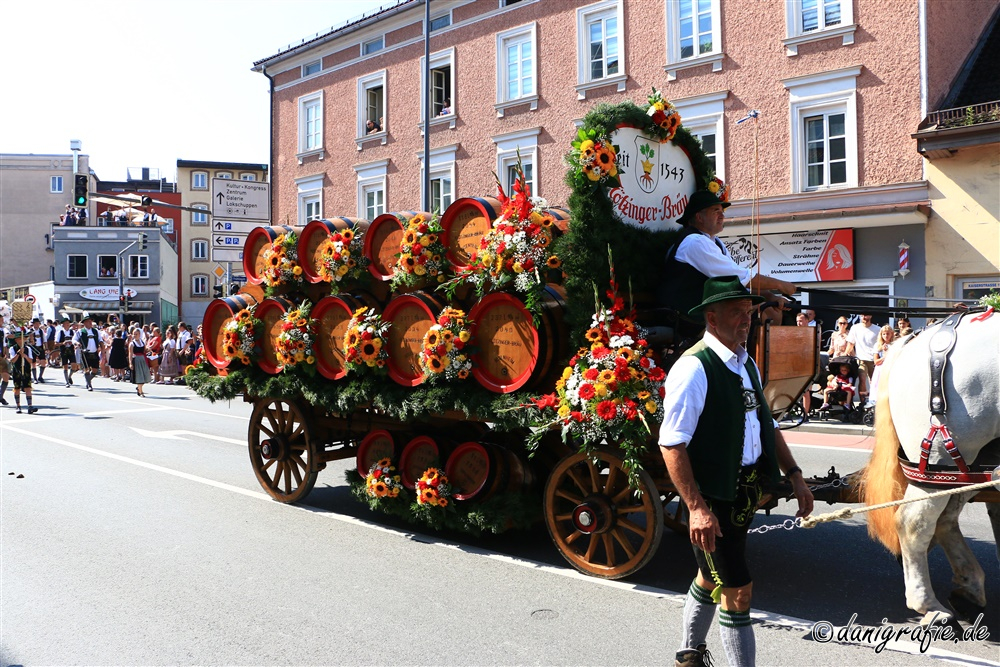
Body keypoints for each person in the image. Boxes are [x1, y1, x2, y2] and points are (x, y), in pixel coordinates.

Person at [658, 276, 813, 667]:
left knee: (709, 577)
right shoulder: (694, 368)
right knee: (738, 590)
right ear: (711, 317)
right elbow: (671, 443)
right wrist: (695, 507)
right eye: (736, 312)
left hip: (741, 494)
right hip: (712, 498)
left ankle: (688, 654)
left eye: (748, 312)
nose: (746, 320)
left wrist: (794, 475)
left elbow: (767, 426)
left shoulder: (747, 366)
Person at [662, 190, 796, 334]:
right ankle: (751, 354)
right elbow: (736, 277)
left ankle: (756, 354)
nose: (722, 215)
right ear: (699, 217)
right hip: (687, 313)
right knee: (766, 310)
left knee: (770, 307)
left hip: (706, 309)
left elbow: (737, 282)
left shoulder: (715, 242)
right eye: (716, 211)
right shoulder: (694, 242)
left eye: (722, 211)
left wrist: (770, 295)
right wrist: (780, 284)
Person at [845, 313, 880, 402]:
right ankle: (863, 402)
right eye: (862, 316)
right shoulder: (855, 328)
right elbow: (850, 343)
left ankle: (874, 401)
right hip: (861, 359)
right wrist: (846, 354)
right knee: (862, 379)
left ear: (871, 316)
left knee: (874, 382)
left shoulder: (877, 329)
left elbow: (881, 344)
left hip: (874, 360)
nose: (864, 317)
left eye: (867, 315)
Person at [7, 328, 38, 413]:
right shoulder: (12, 349)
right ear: (16, 340)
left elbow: (31, 361)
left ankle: (30, 406)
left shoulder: (28, 348)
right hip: (17, 370)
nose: (22, 340)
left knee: (28, 387)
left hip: (26, 369)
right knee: (17, 388)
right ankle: (18, 406)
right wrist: (18, 353)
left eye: (23, 338)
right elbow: (12, 360)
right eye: (20, 339)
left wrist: (25, 355)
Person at [73, 315, 104, 391]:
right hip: (85, 353)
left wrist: (102, 349)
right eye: (88, 321)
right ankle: (89, 385)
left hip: (94, 352)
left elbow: (100, 340)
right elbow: (74, 340)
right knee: (86, 369)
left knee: (95, 370)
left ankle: (88, 380)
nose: (90, 322)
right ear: (85, 323)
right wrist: (77, 343)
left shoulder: (96, 331)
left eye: (91, 321)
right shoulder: (80, 331)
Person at [867, 325, 895, 405]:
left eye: (888, 334)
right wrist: (884, 356)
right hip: (880, 369)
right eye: (884, 334)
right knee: (878, 388)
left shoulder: (894, 344)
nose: (886, 336)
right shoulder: (878, 345)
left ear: (891, 334)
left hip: (890, 368)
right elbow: (876, 361)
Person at [54, 318, 78, 386]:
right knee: (65, 366)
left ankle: (69, 376)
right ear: (63, 324)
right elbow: (56, 343)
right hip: (64, 350)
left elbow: (76, 340)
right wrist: (63, 343)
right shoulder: (60, 332)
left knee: (74, 366)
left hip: (71, 350)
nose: (67, 324)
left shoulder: (72, 332)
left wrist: (74, 344)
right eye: (66, 323)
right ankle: (67, 382)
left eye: (68, 323)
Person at [128, 328, 151, 397]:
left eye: (136, 334)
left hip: (143, 359)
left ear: (139, 334)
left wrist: (148, 349)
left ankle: (139, 388)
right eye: (134, 334)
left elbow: (144, 351)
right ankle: (141, 392)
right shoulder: (132, 344)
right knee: (139, 376)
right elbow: (130, 354)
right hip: (137, 360)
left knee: (145, 376)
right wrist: (130, 363)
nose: (135, 335)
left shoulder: (142, 342)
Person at [28, 318, 48, 383]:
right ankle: (35, 378)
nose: (37, 324)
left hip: (40, 347)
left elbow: (45, 340)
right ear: (33, 324)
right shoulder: (30, 331)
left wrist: (46, 348)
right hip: (33, 348)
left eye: (38, 323)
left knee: (43, 362)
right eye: (35, 323)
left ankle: (40, 376)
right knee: (33, 363)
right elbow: (27, 340)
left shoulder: (41, 331)